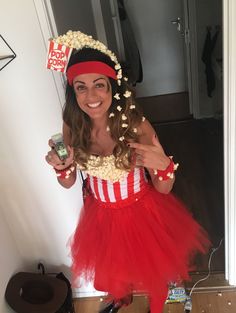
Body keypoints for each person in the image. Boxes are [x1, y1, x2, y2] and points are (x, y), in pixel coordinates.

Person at [45, 30, 210, 313]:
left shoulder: (134, 124)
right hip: (101, 216)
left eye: (99, 85)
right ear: (73, 92)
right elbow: (70, 181)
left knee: (155, 268)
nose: (91, 96)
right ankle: (121, 298)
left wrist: (163, 166)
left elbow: (164, 187)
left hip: (143, 211)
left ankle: (159, 306)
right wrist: (62, 169)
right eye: (81, 87)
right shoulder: (73, 125)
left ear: (113, 87)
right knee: (116, 268)